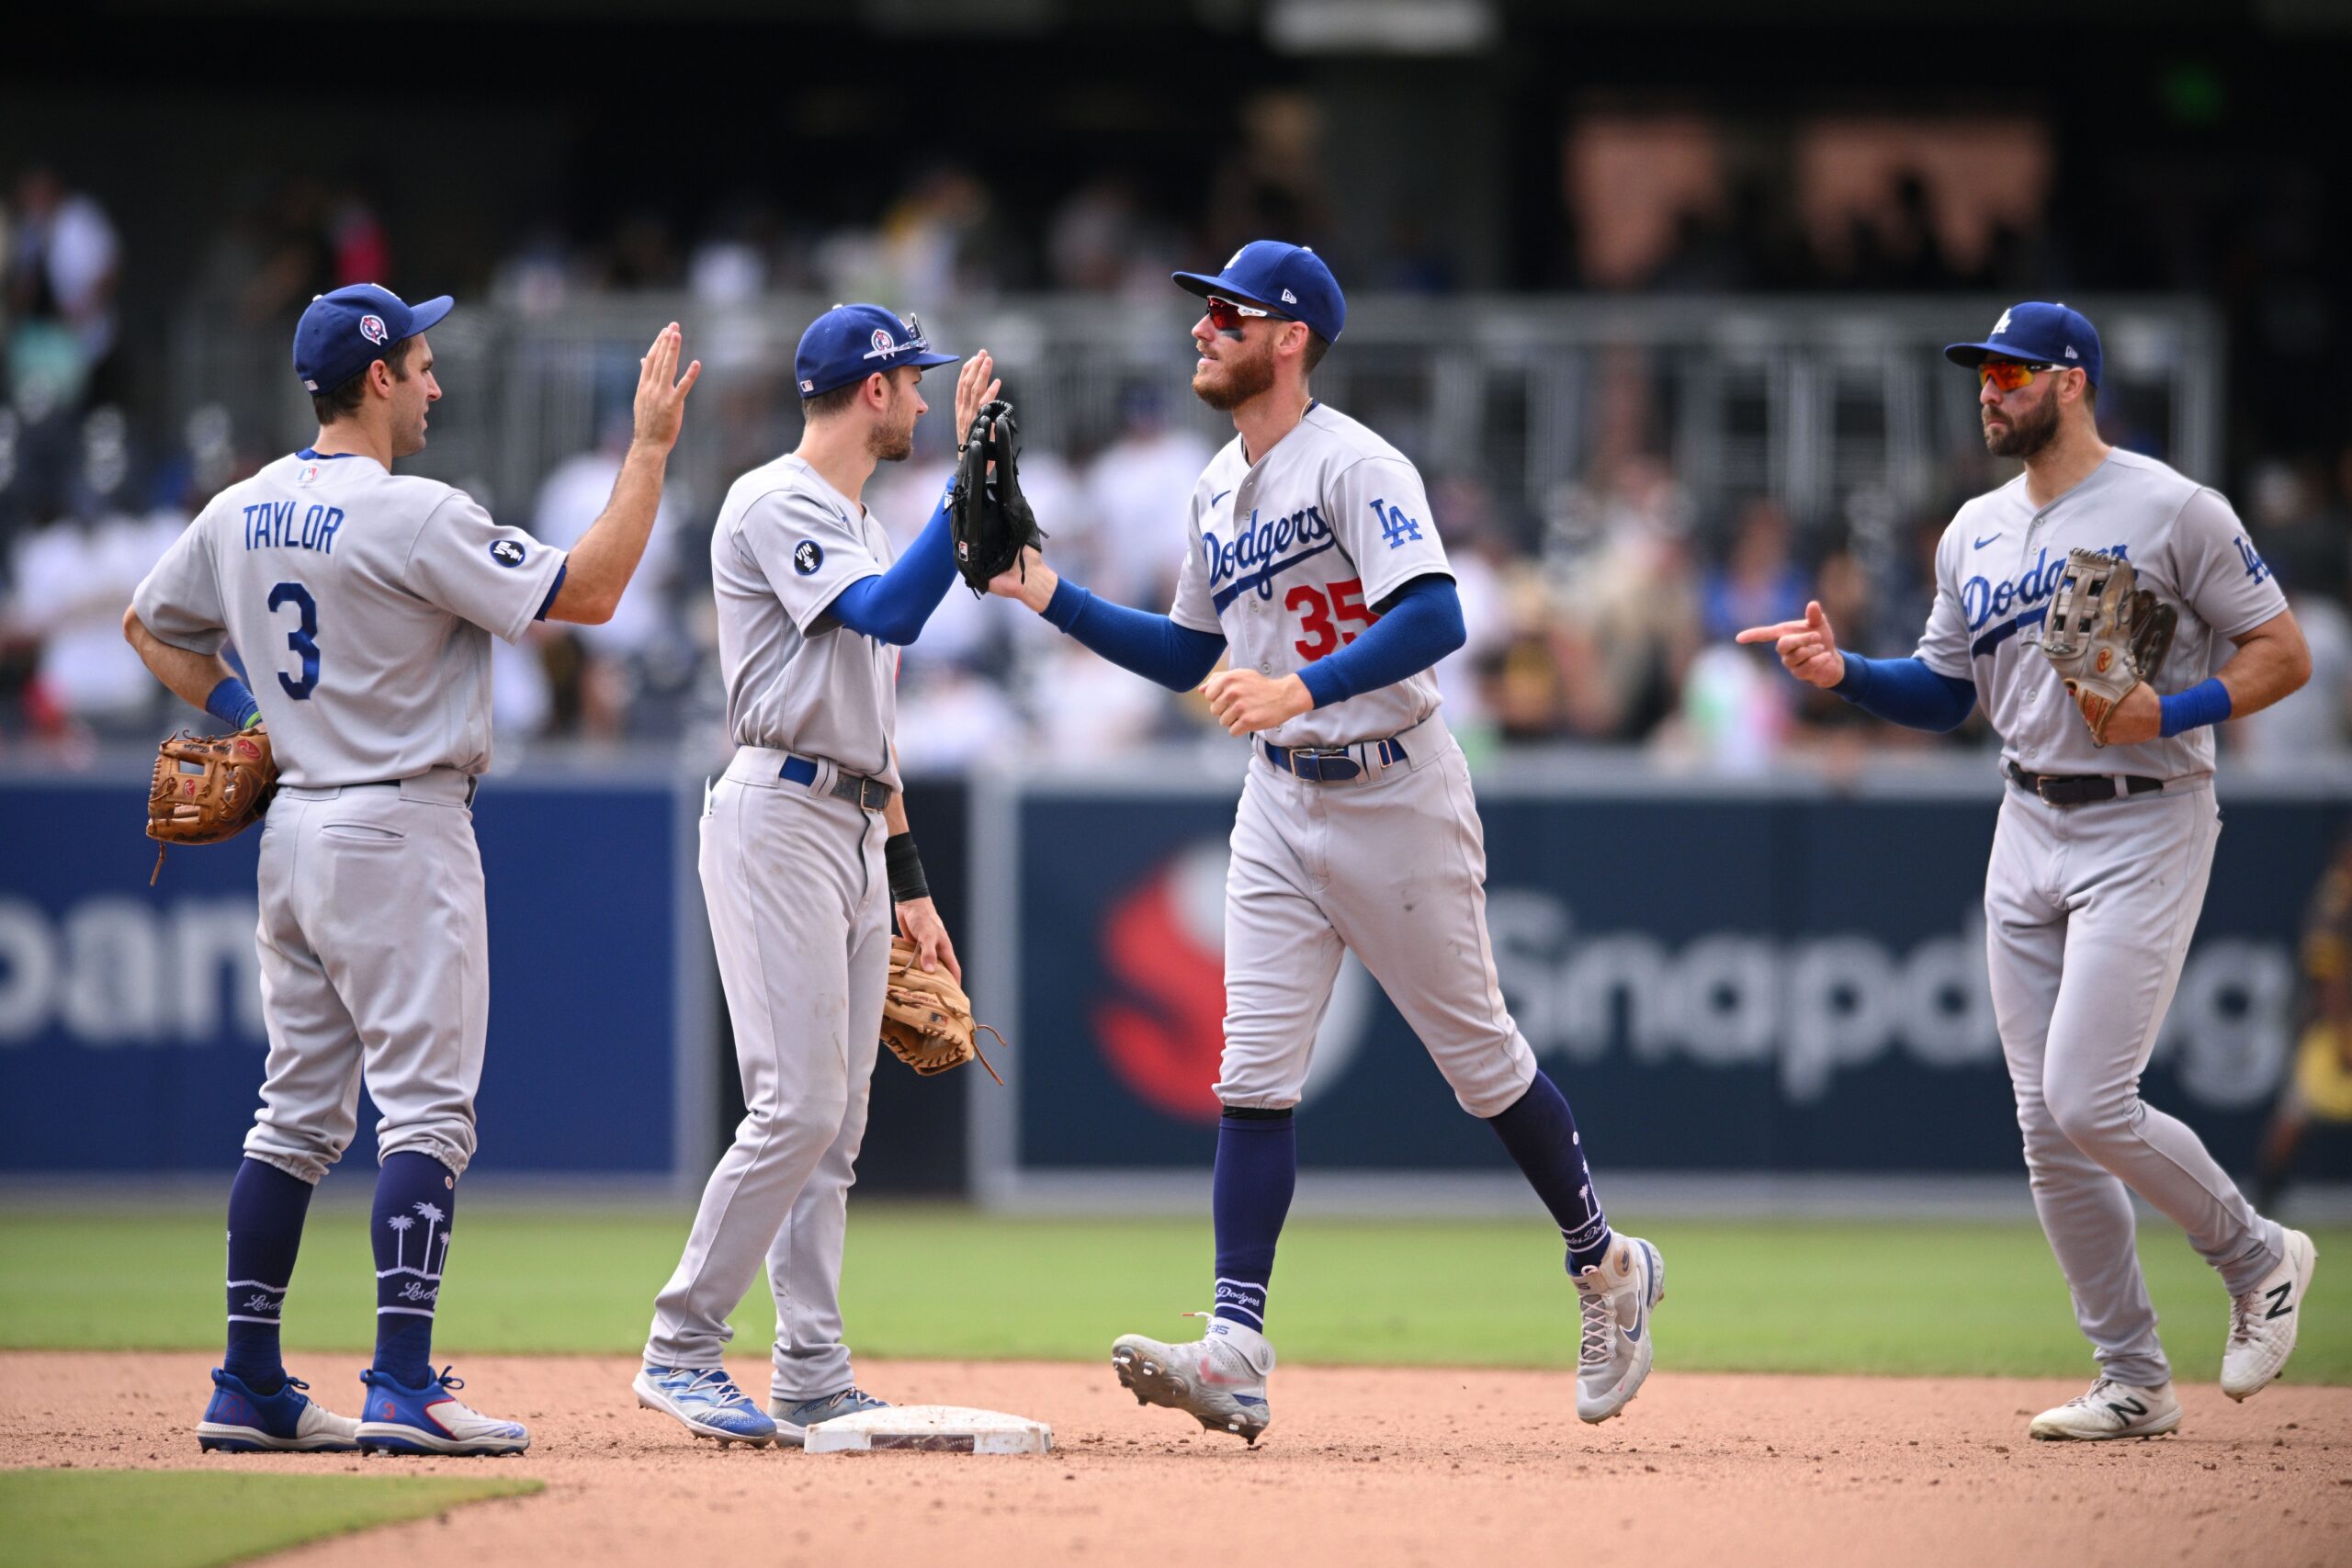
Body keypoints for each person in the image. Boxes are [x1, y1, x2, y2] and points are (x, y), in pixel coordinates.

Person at [989, 242, 1664, 1441]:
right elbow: (1194, 654)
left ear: (1289, 334)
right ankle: (1237, 1346)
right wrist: (1047, 592)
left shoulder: (1356, 462)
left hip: (1395, 788)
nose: (1202, 328)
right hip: (1278, 804)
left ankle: (1606, 1265)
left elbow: (1439, 611)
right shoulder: (1214, 485)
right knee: (1250, 1072)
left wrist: (1301, 688)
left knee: (1481, 1064)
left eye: (1227, 314)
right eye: (1203, 312)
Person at [125, 285, 698, 1454]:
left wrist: (251, 715)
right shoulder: (413, 513)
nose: (436, 384)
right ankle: (399, 1381)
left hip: (292, 838)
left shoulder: (243, 507)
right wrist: (646, 452)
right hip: (399, 825)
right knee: (427, 1112)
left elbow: (149, 626)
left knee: (292, 1118)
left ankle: (246, 1381)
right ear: (377, 376)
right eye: (424, 364)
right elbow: (586, 592)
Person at [1737, 301, 2319, 1442]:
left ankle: (2257, 1258)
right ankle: (2133, 1377)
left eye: (2010, 372)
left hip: (2146, 813)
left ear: (2072, 381)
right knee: (2044, 1128)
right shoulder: (1973, 530)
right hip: (2026, 813)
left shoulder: (2168, 507)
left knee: (2087, 1098)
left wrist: (2179, 704)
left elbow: (2282, 652)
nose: (1989, 390)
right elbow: (1945, 691)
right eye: (1981, 374)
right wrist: (1844, 670)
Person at [632, 307, 999, 1448]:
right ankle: (682, 1346)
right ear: (872, 389)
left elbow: (873, 723)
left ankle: (812, 1371)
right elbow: (887, 614)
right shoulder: (776, 497)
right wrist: (964, 495)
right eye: (914, 383)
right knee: (793, 1103)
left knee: (835, 1125)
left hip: (844, 817)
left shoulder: (862, 520)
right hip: (774, 811)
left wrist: (911, 878)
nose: (929, 403)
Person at [2251, 830, 2352, 1214]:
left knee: (2294, 1113)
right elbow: (2329, 978)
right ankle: (2264, 1200)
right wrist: (2342, 1034)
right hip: (2327, 1027)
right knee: (2296, 1110)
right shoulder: (2336, 902)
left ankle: (2263, 1201)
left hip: (2333, 1023)